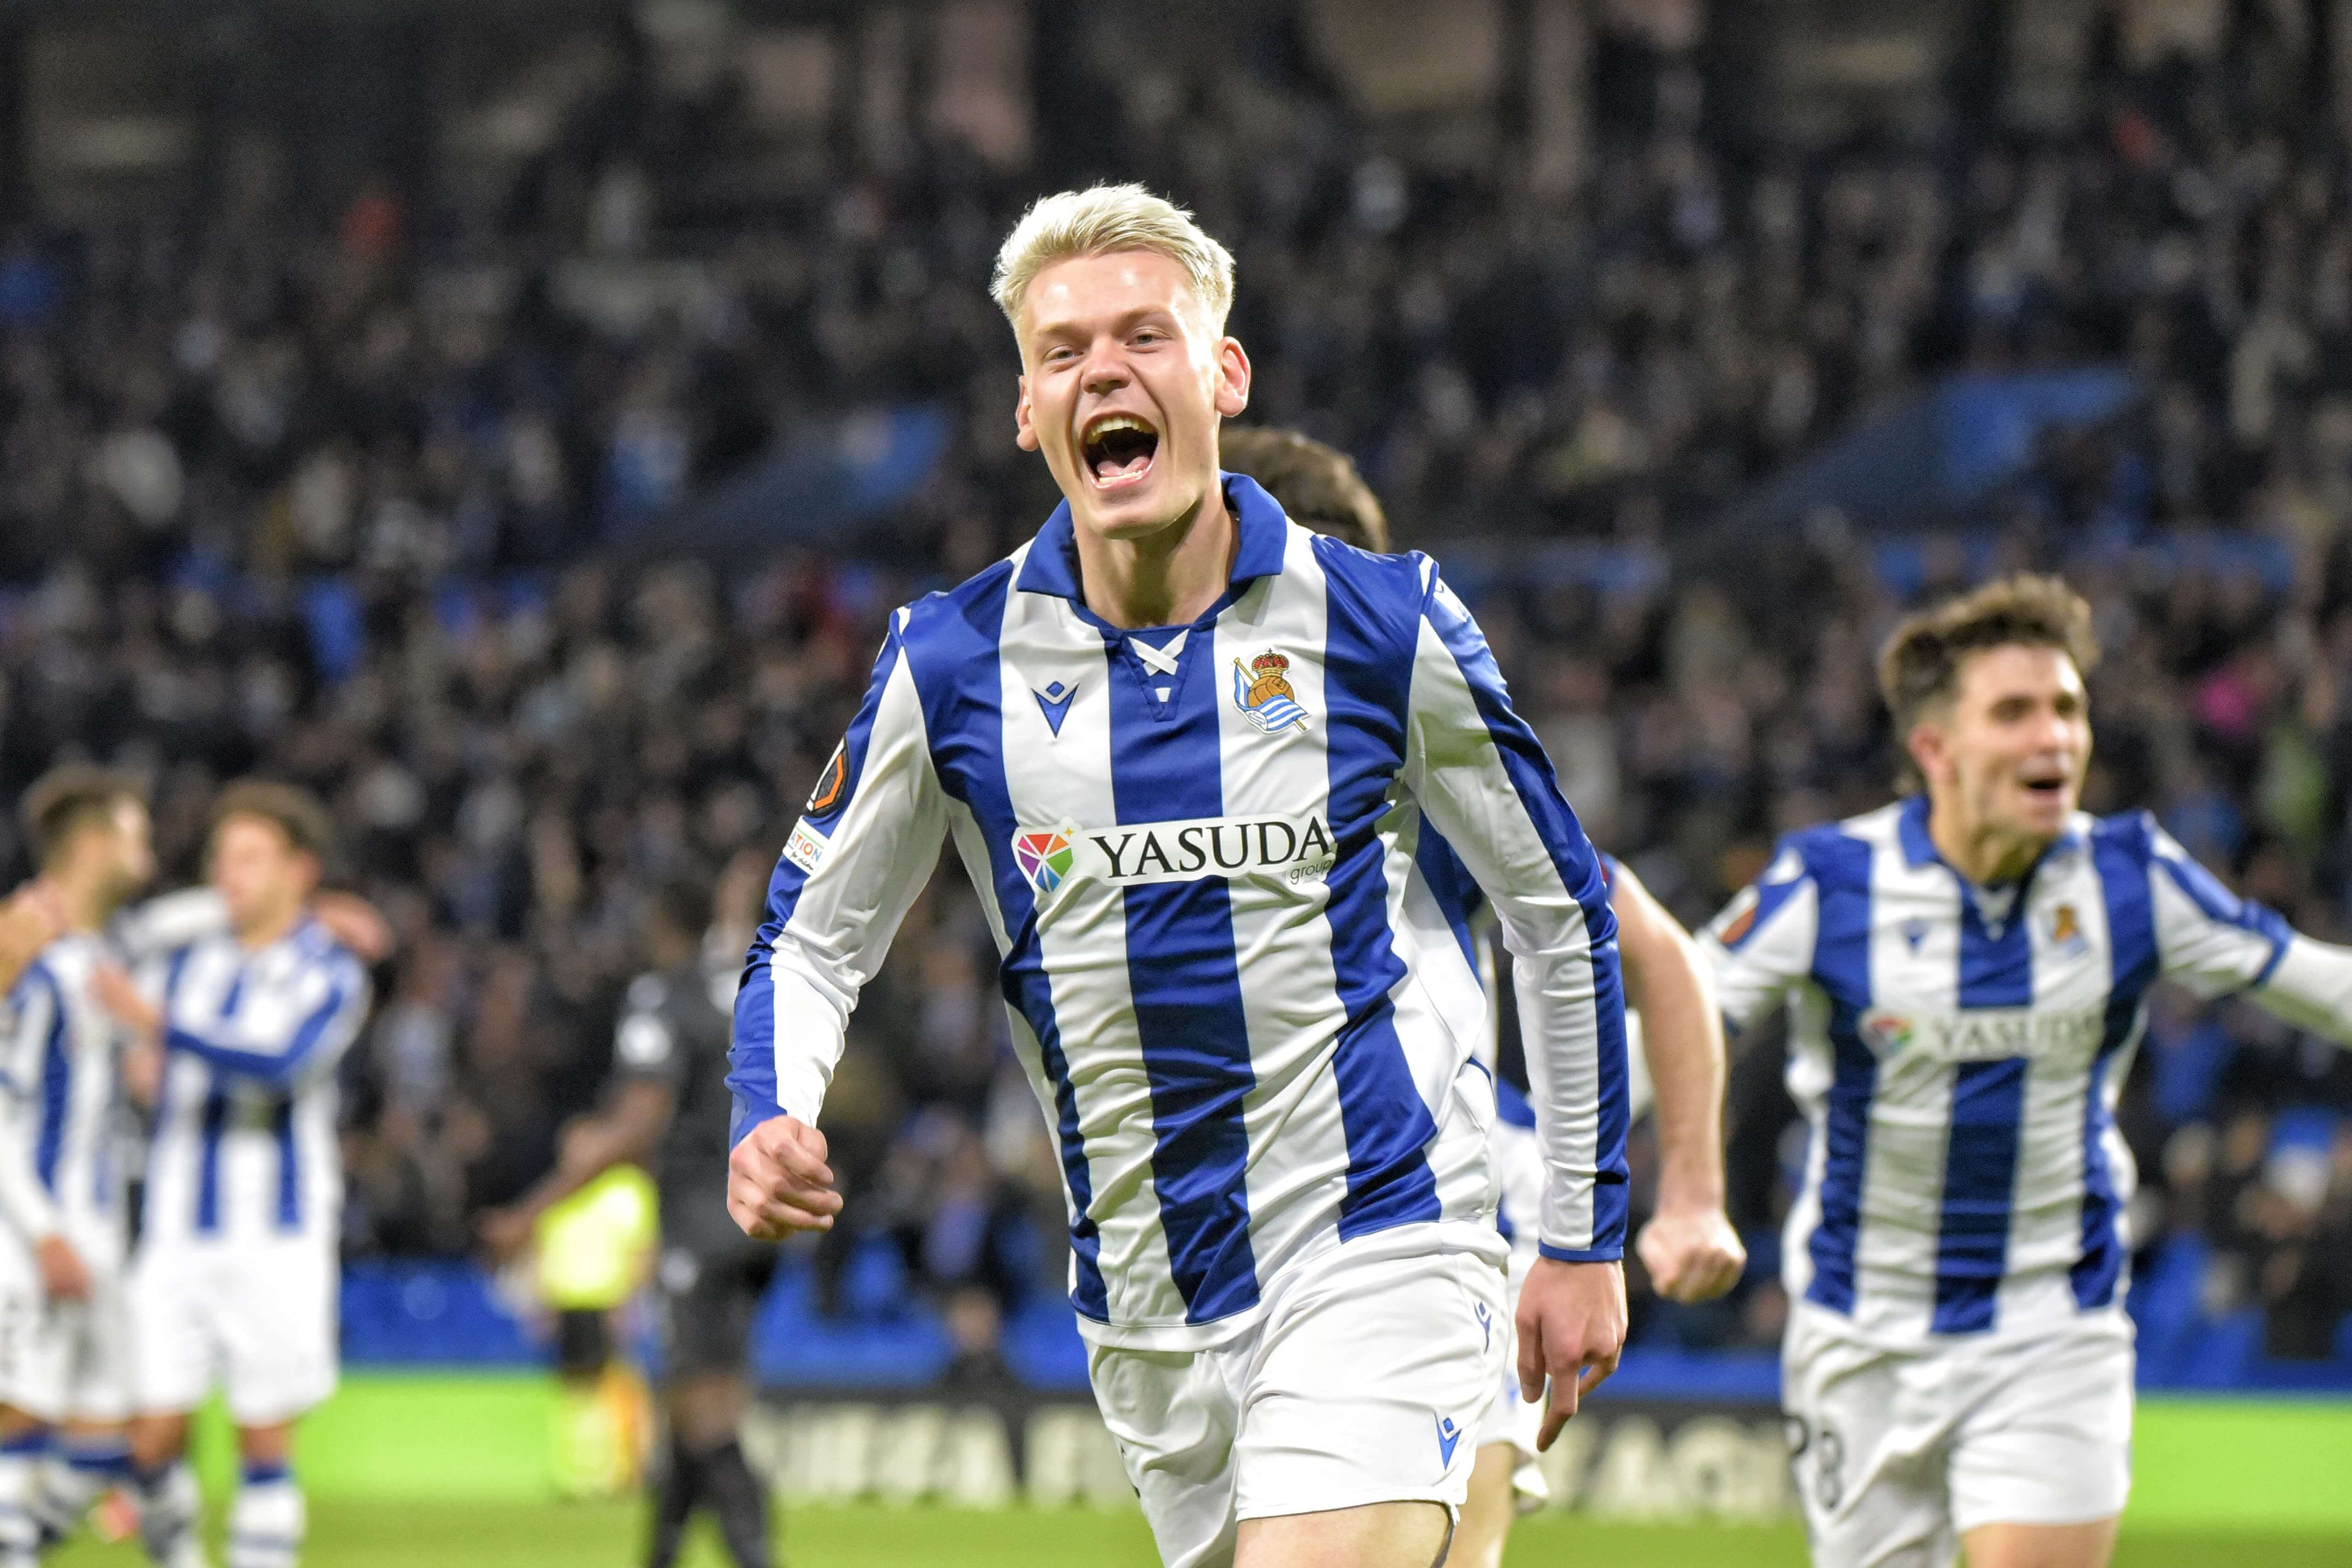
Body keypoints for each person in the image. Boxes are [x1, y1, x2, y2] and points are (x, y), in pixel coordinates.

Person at [725, 184, 1630, 1568]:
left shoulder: (1384, 623)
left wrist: (1580, 1229)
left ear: (1222, 373)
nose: (1104, 370)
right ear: (1029, 409)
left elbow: (1562, 915)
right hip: (1144, 1303)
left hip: (1378, 1238)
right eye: (1063, 349)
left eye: (1143, 334)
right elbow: (813, 938)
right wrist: (771, 1105)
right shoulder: (949, 662)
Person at [1701, 574, 2352, 1568]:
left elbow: (2322, 986)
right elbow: (1674, 1018)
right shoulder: (1828, 884)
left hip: (2052, 1328)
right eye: (2014, 712)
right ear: (1935, 750)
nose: (2054, 736)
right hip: (1861, 1335)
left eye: (2067, 709)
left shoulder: (2130, 876)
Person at [1220, 424, 1744, 1564]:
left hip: (1439, 1225)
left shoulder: (1400, 758)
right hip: (1240, 1248)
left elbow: (1641, 942)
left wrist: (1689, 1193)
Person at [93, 782, 373, 1568]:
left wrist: (160, 1031)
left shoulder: (329, 969)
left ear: (301, 868)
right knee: (147, 1438)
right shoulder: (188, 960)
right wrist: (140, 1048)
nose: (230, 874)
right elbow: (116, 944)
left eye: (253, 857)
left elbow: (280, 1063)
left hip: (276, 1240)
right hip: (175, 1234)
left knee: (264, 1436)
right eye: (221, 858)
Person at [481, 879, 775, 1568]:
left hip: (697, 1225)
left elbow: (637, 1128)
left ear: (659, 923)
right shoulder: (740, 992)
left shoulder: (660, 998)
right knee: (695, 1408)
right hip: (754, 1220)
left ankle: (760, 1557)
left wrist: (530, 1211)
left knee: (705, 1419)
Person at [0, 769, 155, 1566]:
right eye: (136, 834)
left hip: (94, 1231)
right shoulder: (29, 949)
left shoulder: (98, 952)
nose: (149, 851)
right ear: (93, 845)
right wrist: (42, 1231)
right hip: (32, 1231)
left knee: (121, 1431)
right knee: (18, 1425)